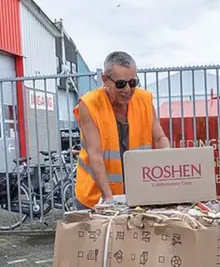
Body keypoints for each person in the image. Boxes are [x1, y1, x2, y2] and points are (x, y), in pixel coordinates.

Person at [73, 51, 170, 208]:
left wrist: (167, 160)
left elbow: (160, 138)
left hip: (138, 194)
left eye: (133, 83)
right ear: (105, 80)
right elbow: (95, 155)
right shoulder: (89, 105)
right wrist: (109, 199)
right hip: (96, 197)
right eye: (120, 84)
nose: (127, 90)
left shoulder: (144, 100)